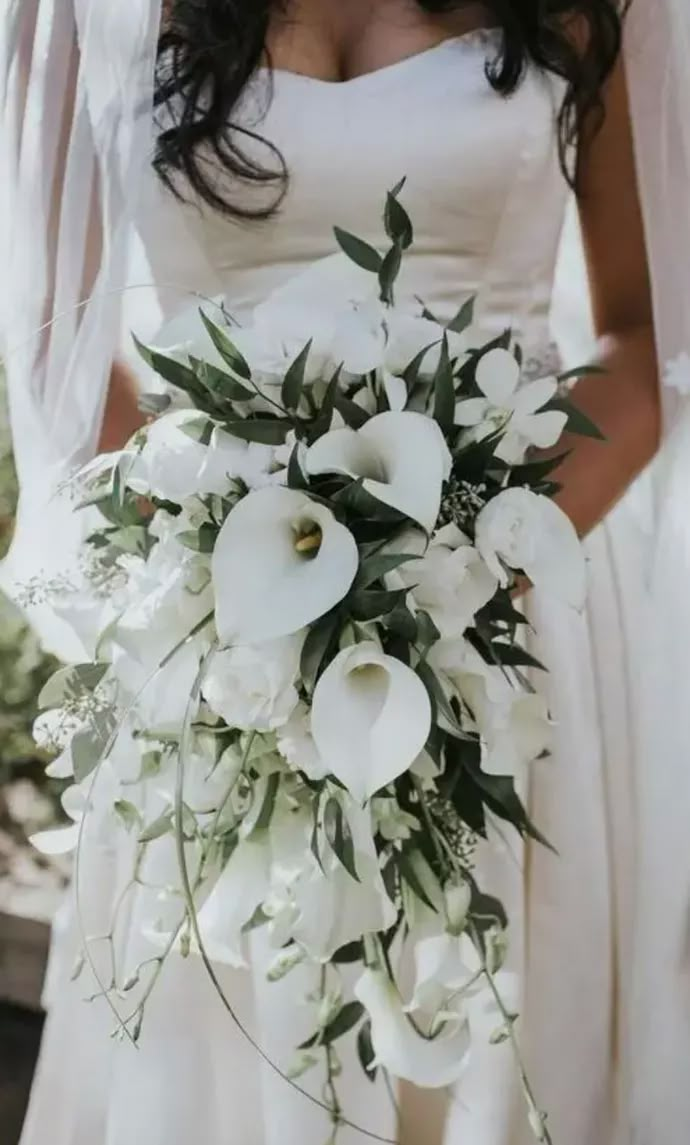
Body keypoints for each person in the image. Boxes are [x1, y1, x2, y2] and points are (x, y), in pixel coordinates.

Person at [4, 1, 690, 1143]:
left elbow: (644, 340)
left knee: (502, 1033)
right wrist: (215, 574)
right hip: (221, 639)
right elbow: (54, 344)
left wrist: (464, 575)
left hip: (512, 633)